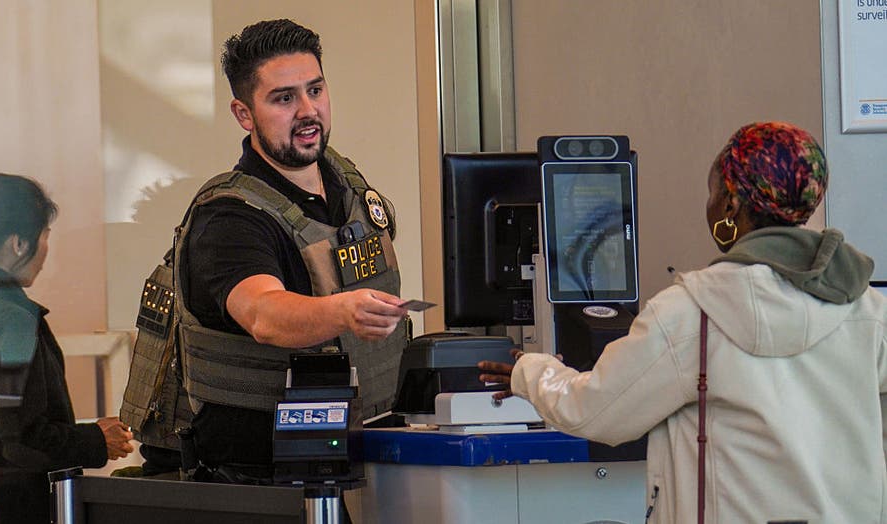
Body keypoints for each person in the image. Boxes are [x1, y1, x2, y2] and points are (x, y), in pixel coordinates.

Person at [479, 122, 887, 523]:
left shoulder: (691, 311)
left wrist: (531, 372)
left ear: (730, 205)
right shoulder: (866, 309)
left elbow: (595, 409)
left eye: (713, 193)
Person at [169, 19, 408, 481]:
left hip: (358, 452)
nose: (308, 111)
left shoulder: (346, 183)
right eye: (284, 98)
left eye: (315, 90)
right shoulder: (230, 217)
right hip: (260, 479)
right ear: (244, 114)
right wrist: (344, 311)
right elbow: (264, 313)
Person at [0, 174, 134, 523]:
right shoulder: (13, 320)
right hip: (16, 506)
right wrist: (97, 439)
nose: (46, 252)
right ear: (19, 243)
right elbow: (22, 442)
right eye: (45, 236)